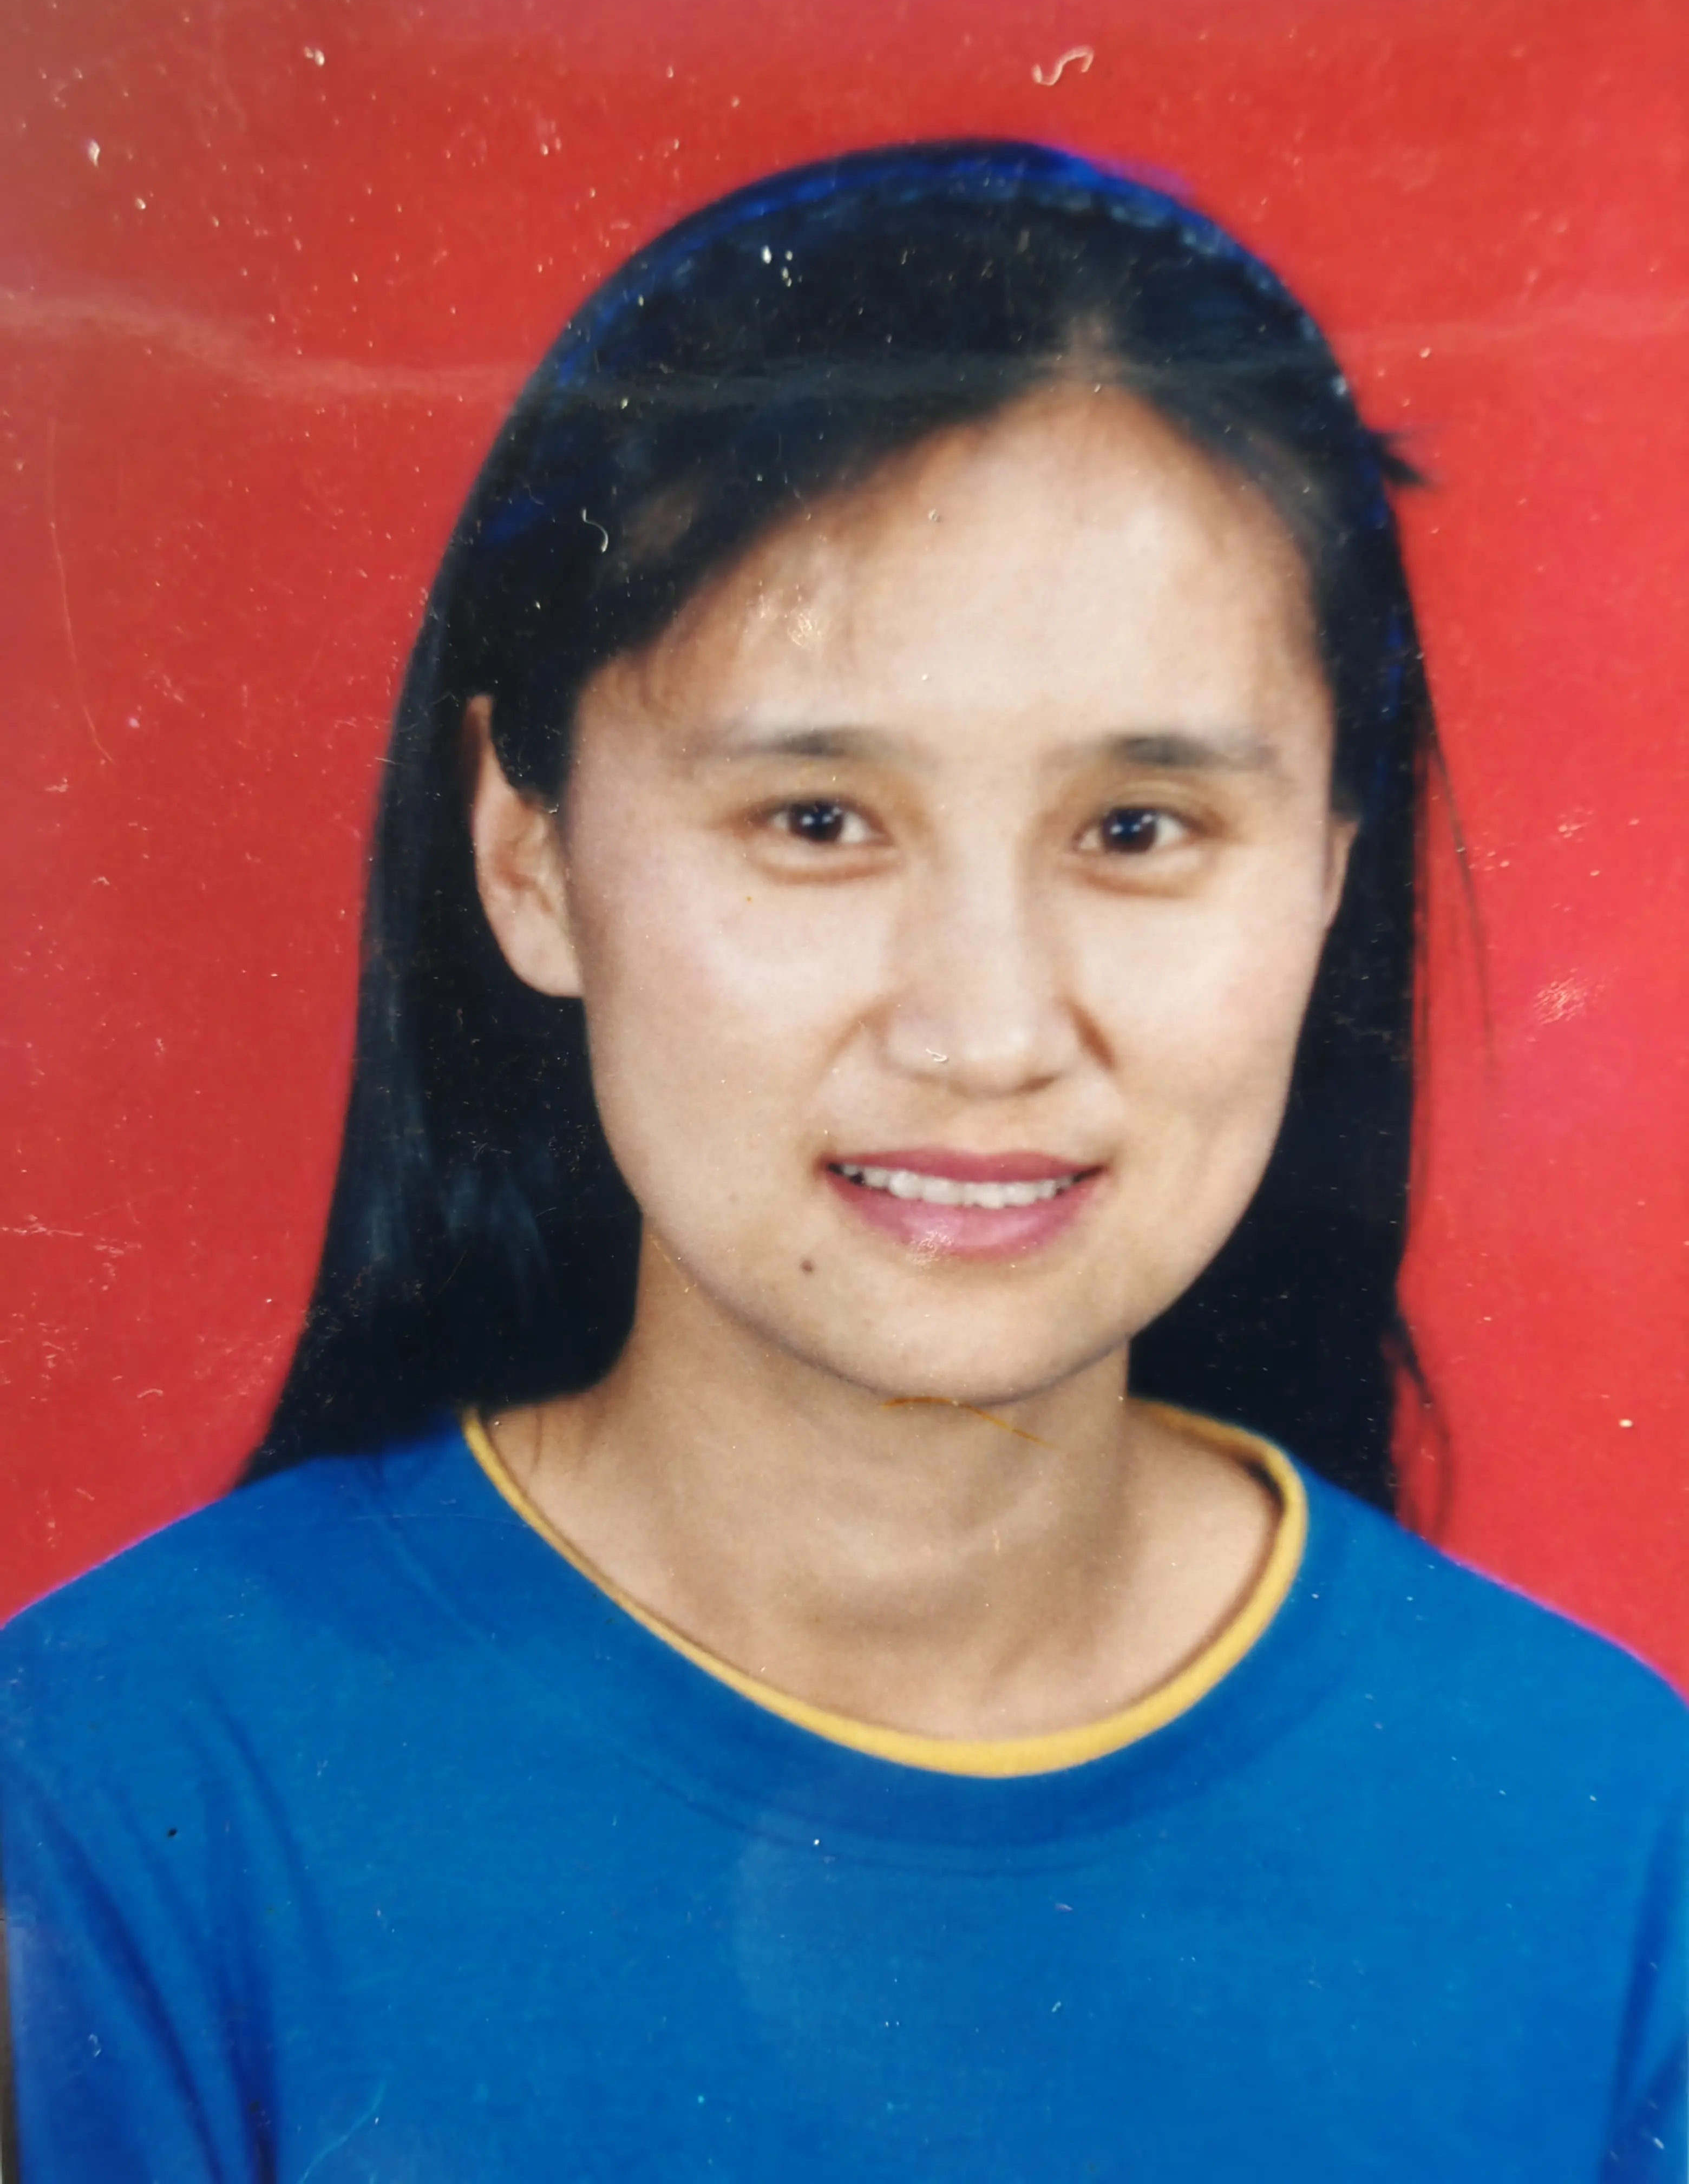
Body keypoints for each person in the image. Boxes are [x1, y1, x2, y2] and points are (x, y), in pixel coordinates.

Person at [1, 141, 1681, 2182]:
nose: (985, 1030)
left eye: (1138, 829)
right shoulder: (105, 1797)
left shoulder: (1613, 1844)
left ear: (1331, 872)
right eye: (816, 821)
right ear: (528, 851)